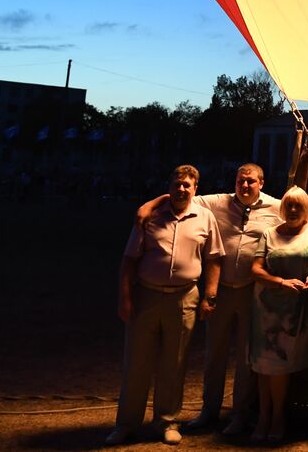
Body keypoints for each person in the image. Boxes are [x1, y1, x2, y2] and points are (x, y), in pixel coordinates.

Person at [135, 163, 280, 436]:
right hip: (222, 290)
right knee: (215, 352)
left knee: (247, 356)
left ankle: (239, 415)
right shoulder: (217, 202)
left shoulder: (275, 207)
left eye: (250, 181)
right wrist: (149, 205)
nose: (245, 186)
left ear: (261, 182)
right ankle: (209, 411)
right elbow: (181, 194)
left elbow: (300, 216)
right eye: (240, 181)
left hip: (252, 289)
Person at [108, 165, 223, 447]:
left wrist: (210, 295)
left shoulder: (205, 217)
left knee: (175, 362)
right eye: (178, 184)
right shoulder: (150, 217)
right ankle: (126, 424)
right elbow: (129, 260)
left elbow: (214, 258)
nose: (182, 189)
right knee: (137, 361)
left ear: (196, 189)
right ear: (169, 186)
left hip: (185, 297)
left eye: (188, 185)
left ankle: (167, 421)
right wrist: (125, 298)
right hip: (146, 295)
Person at [248, 186, 308, 442]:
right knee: (263, 367)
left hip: (294, 311)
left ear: (306, 208)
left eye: (298, 205)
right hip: (266, 307)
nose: (293, 210)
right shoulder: (270, 233)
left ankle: (277, 417)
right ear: (282, 208)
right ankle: (264, 417)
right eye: (289, 205)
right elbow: (255, 269)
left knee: (279, 367)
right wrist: (280, 281)